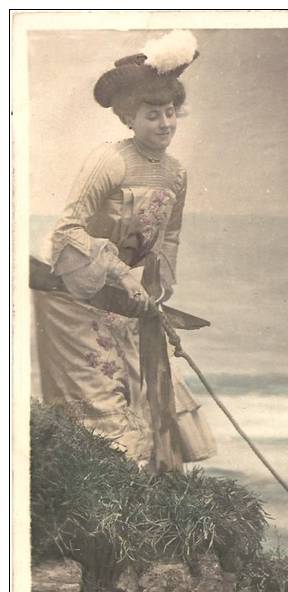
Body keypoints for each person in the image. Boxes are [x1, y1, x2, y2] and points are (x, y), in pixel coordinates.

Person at [33, 30, 216, 473]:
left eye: (171, 113)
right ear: (129, 118)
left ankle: (148, 483)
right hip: (72, 291)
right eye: (153, 114)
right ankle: (108, 483)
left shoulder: (176, 173)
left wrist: (159, 285)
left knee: (145, 387)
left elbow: (169, 235)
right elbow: (67, 230)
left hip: (126, 296)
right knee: (101, 393)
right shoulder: (109, 160)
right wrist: (118, 273)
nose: (165, 124)